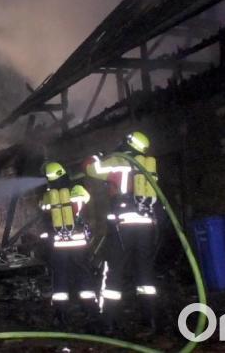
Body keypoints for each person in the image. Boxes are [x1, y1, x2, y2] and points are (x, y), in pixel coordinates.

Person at [83, 131, 159, 331]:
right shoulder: (147, 164)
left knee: (114, 271)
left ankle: (108, 322)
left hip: (123, 226)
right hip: (146, 226)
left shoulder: (119, 161)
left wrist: (97, 156)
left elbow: (91, 169)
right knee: (145, 273)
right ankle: (150, 319)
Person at [40, 161, 96, 322]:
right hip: (78, 242)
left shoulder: (49, 195)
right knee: (84, 274)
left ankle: (61, 313)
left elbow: (42, 207)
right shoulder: (77, 189)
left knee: (60, 277)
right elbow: (86, 198)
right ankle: (89, 309)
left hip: (59, 244)